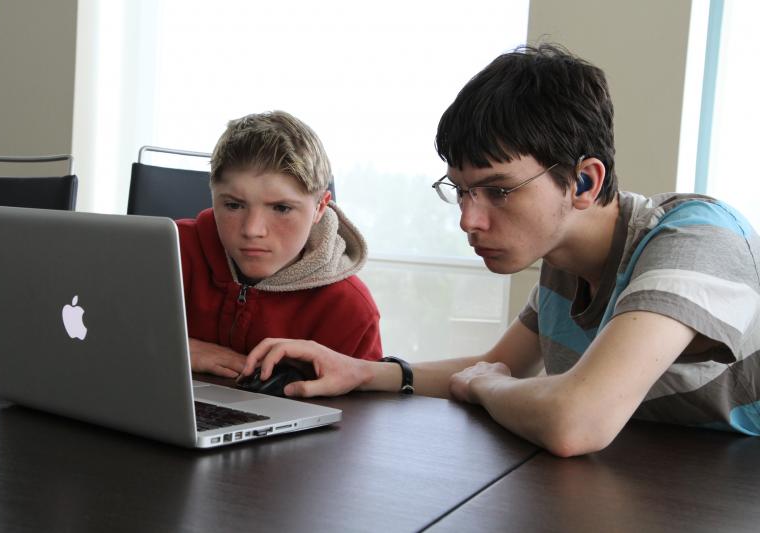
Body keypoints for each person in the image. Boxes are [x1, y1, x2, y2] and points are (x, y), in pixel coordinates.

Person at [242, 44, 760, 457]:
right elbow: (498, 364)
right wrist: (361, 371)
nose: (469, 219)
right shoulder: (564, 261)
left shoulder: (697, 239)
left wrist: (486, 389)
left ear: (583, 180)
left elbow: (574, 420)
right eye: (461, 191)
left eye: (499, 190)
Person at [177, 110, 383, 379]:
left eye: (281, 208)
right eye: (233, 205)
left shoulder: (350, 308)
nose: (252, 230)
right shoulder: (166, 254)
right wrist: (174, 349)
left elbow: (363, 414)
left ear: (320, 207)